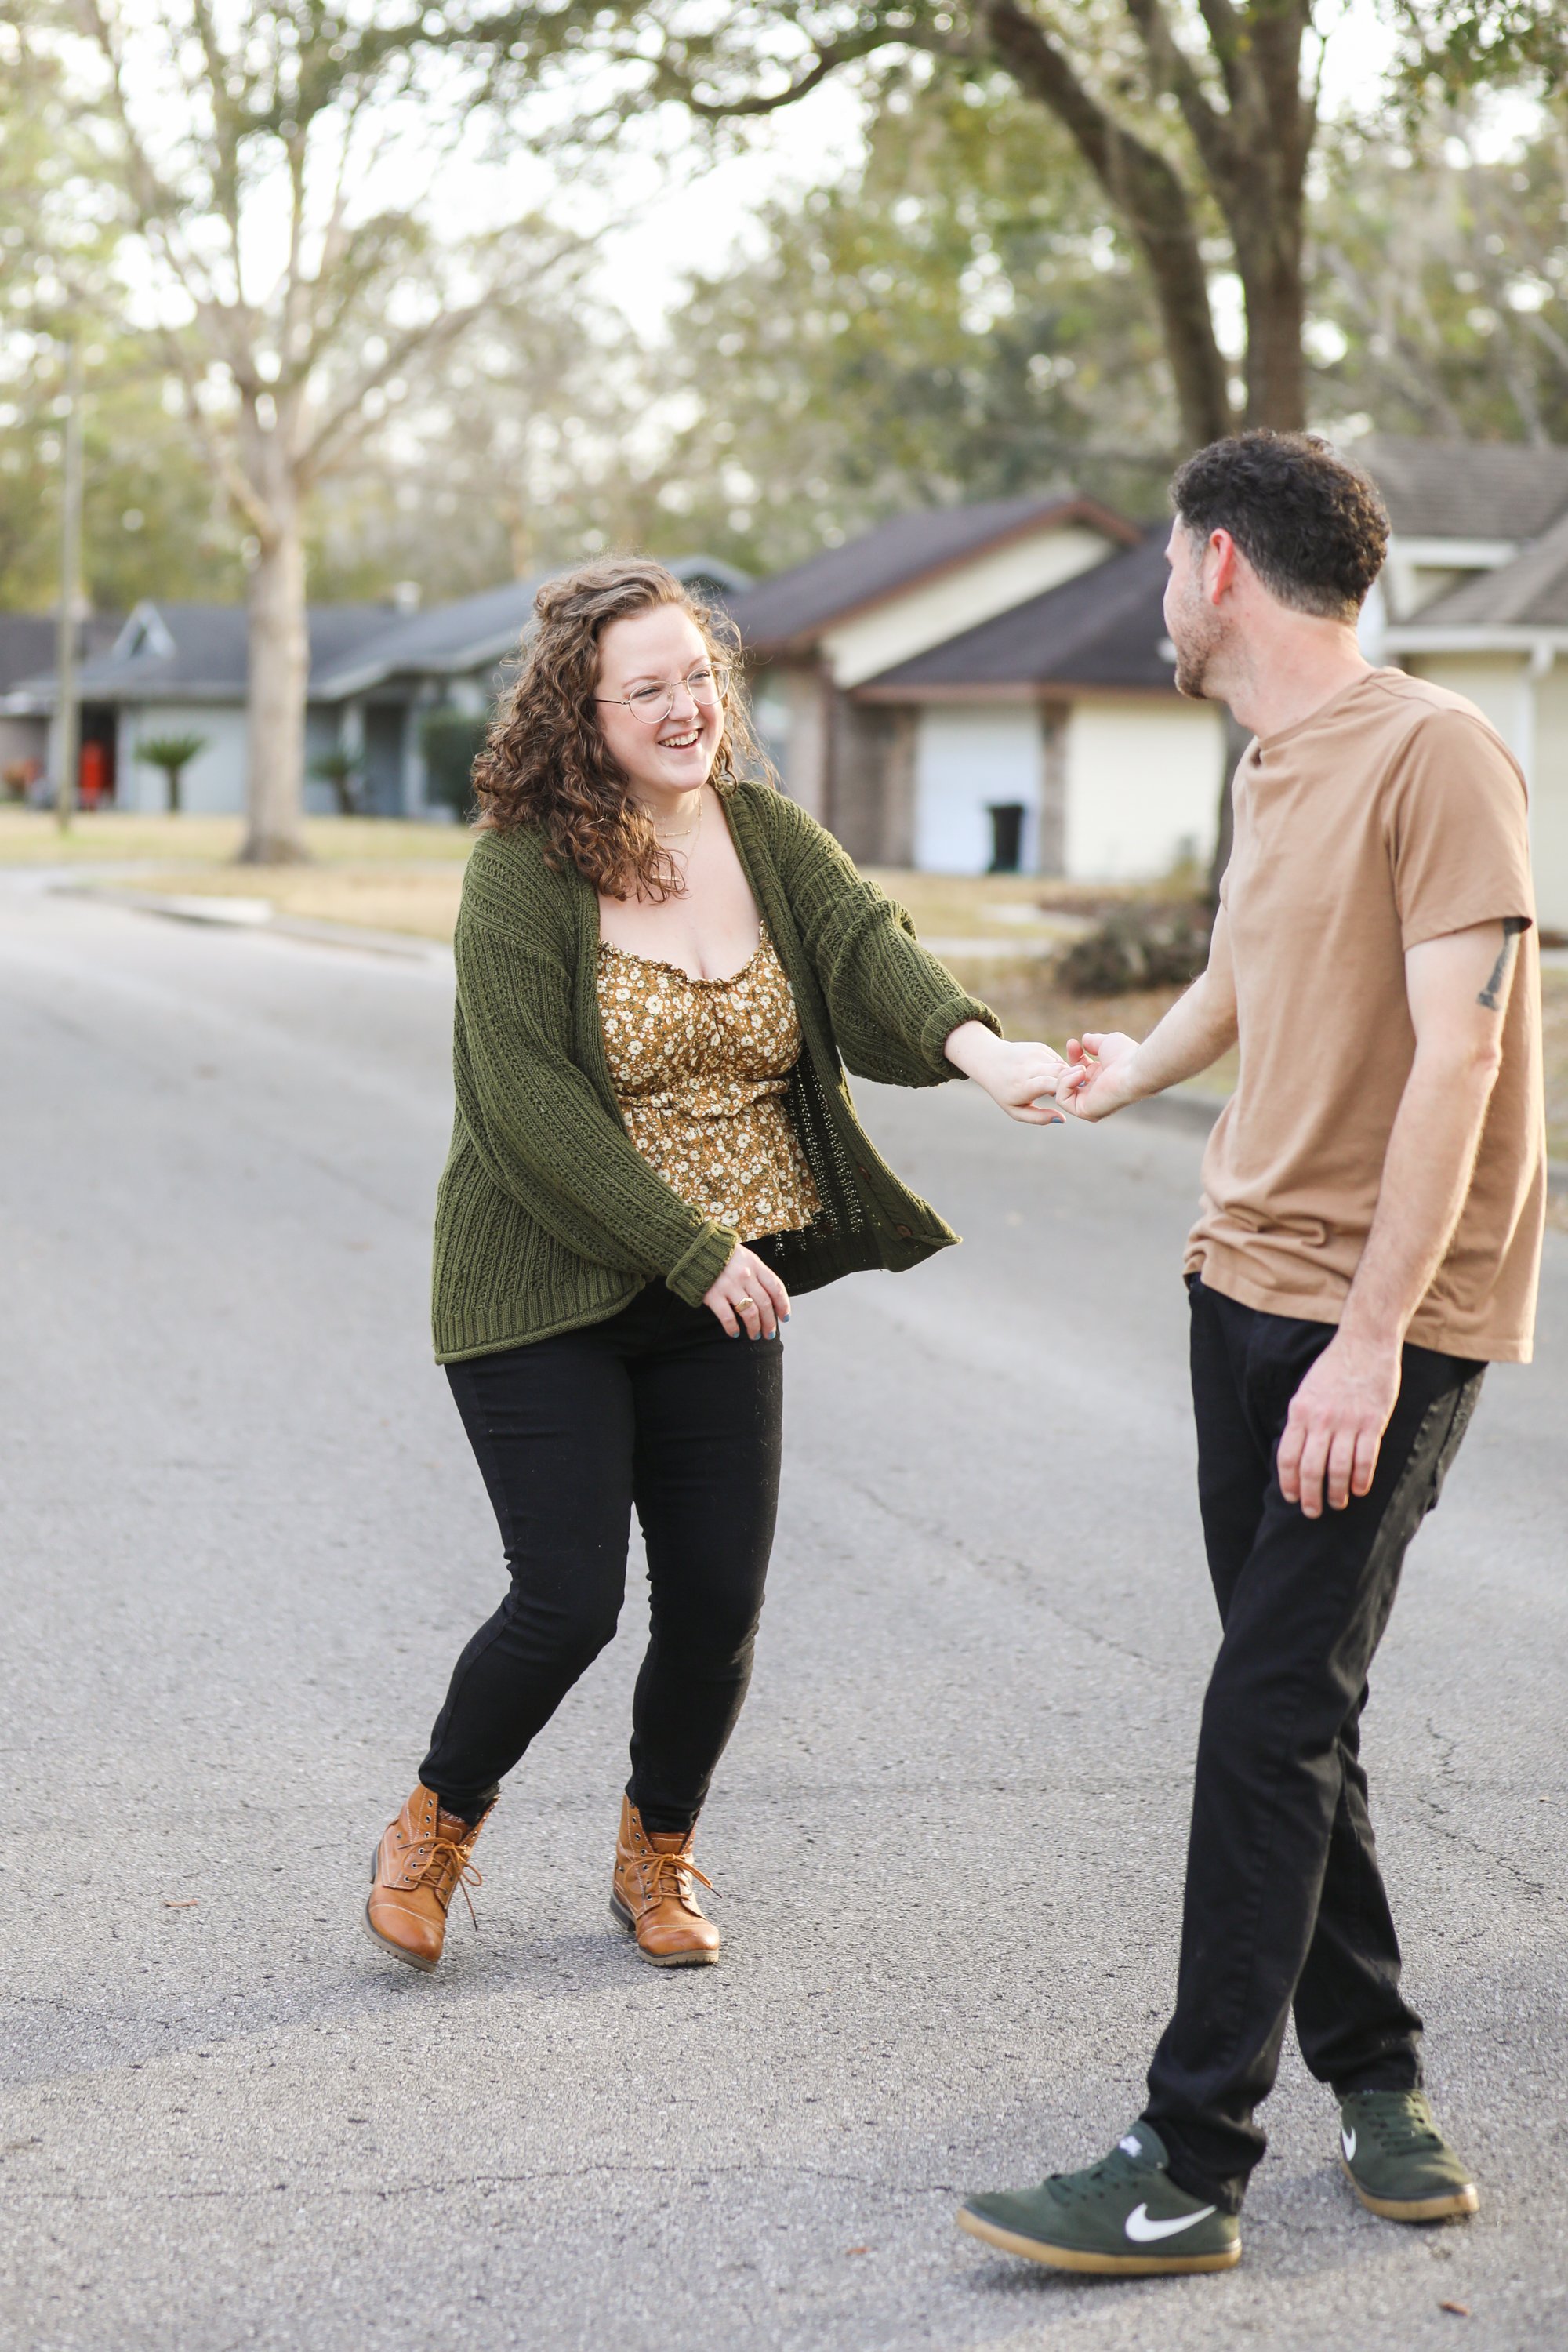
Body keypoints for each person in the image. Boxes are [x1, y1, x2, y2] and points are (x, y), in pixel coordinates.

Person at [959, 432, 1544, 2274]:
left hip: (1375, 1324)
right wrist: (1119, 1072)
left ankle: (1186, 2157)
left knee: (1267, 1715)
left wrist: (1372, 1345)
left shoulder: (1437, 752)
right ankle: (1378, 2079)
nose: (1155, 600)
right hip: (1242, 1283)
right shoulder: (1274, 765)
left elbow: (1463, 1059)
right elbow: (1240, 970)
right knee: (1298, 1709)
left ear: (1218, 568)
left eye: (1160, 570)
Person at [365, 556, 1066, 1973]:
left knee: (717, 1604)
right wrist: (691, 1247)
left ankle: (658, 1852)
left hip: (716, 1291)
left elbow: (871, 955)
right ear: (583, 711)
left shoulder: (762, 832)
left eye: (700, 675)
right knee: (568, 1596)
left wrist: (991, 1057)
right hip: (544, 1287)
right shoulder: (520, 871)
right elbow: (527, 1106)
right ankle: (435, 1824)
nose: (688, 707)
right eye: (649, 687)